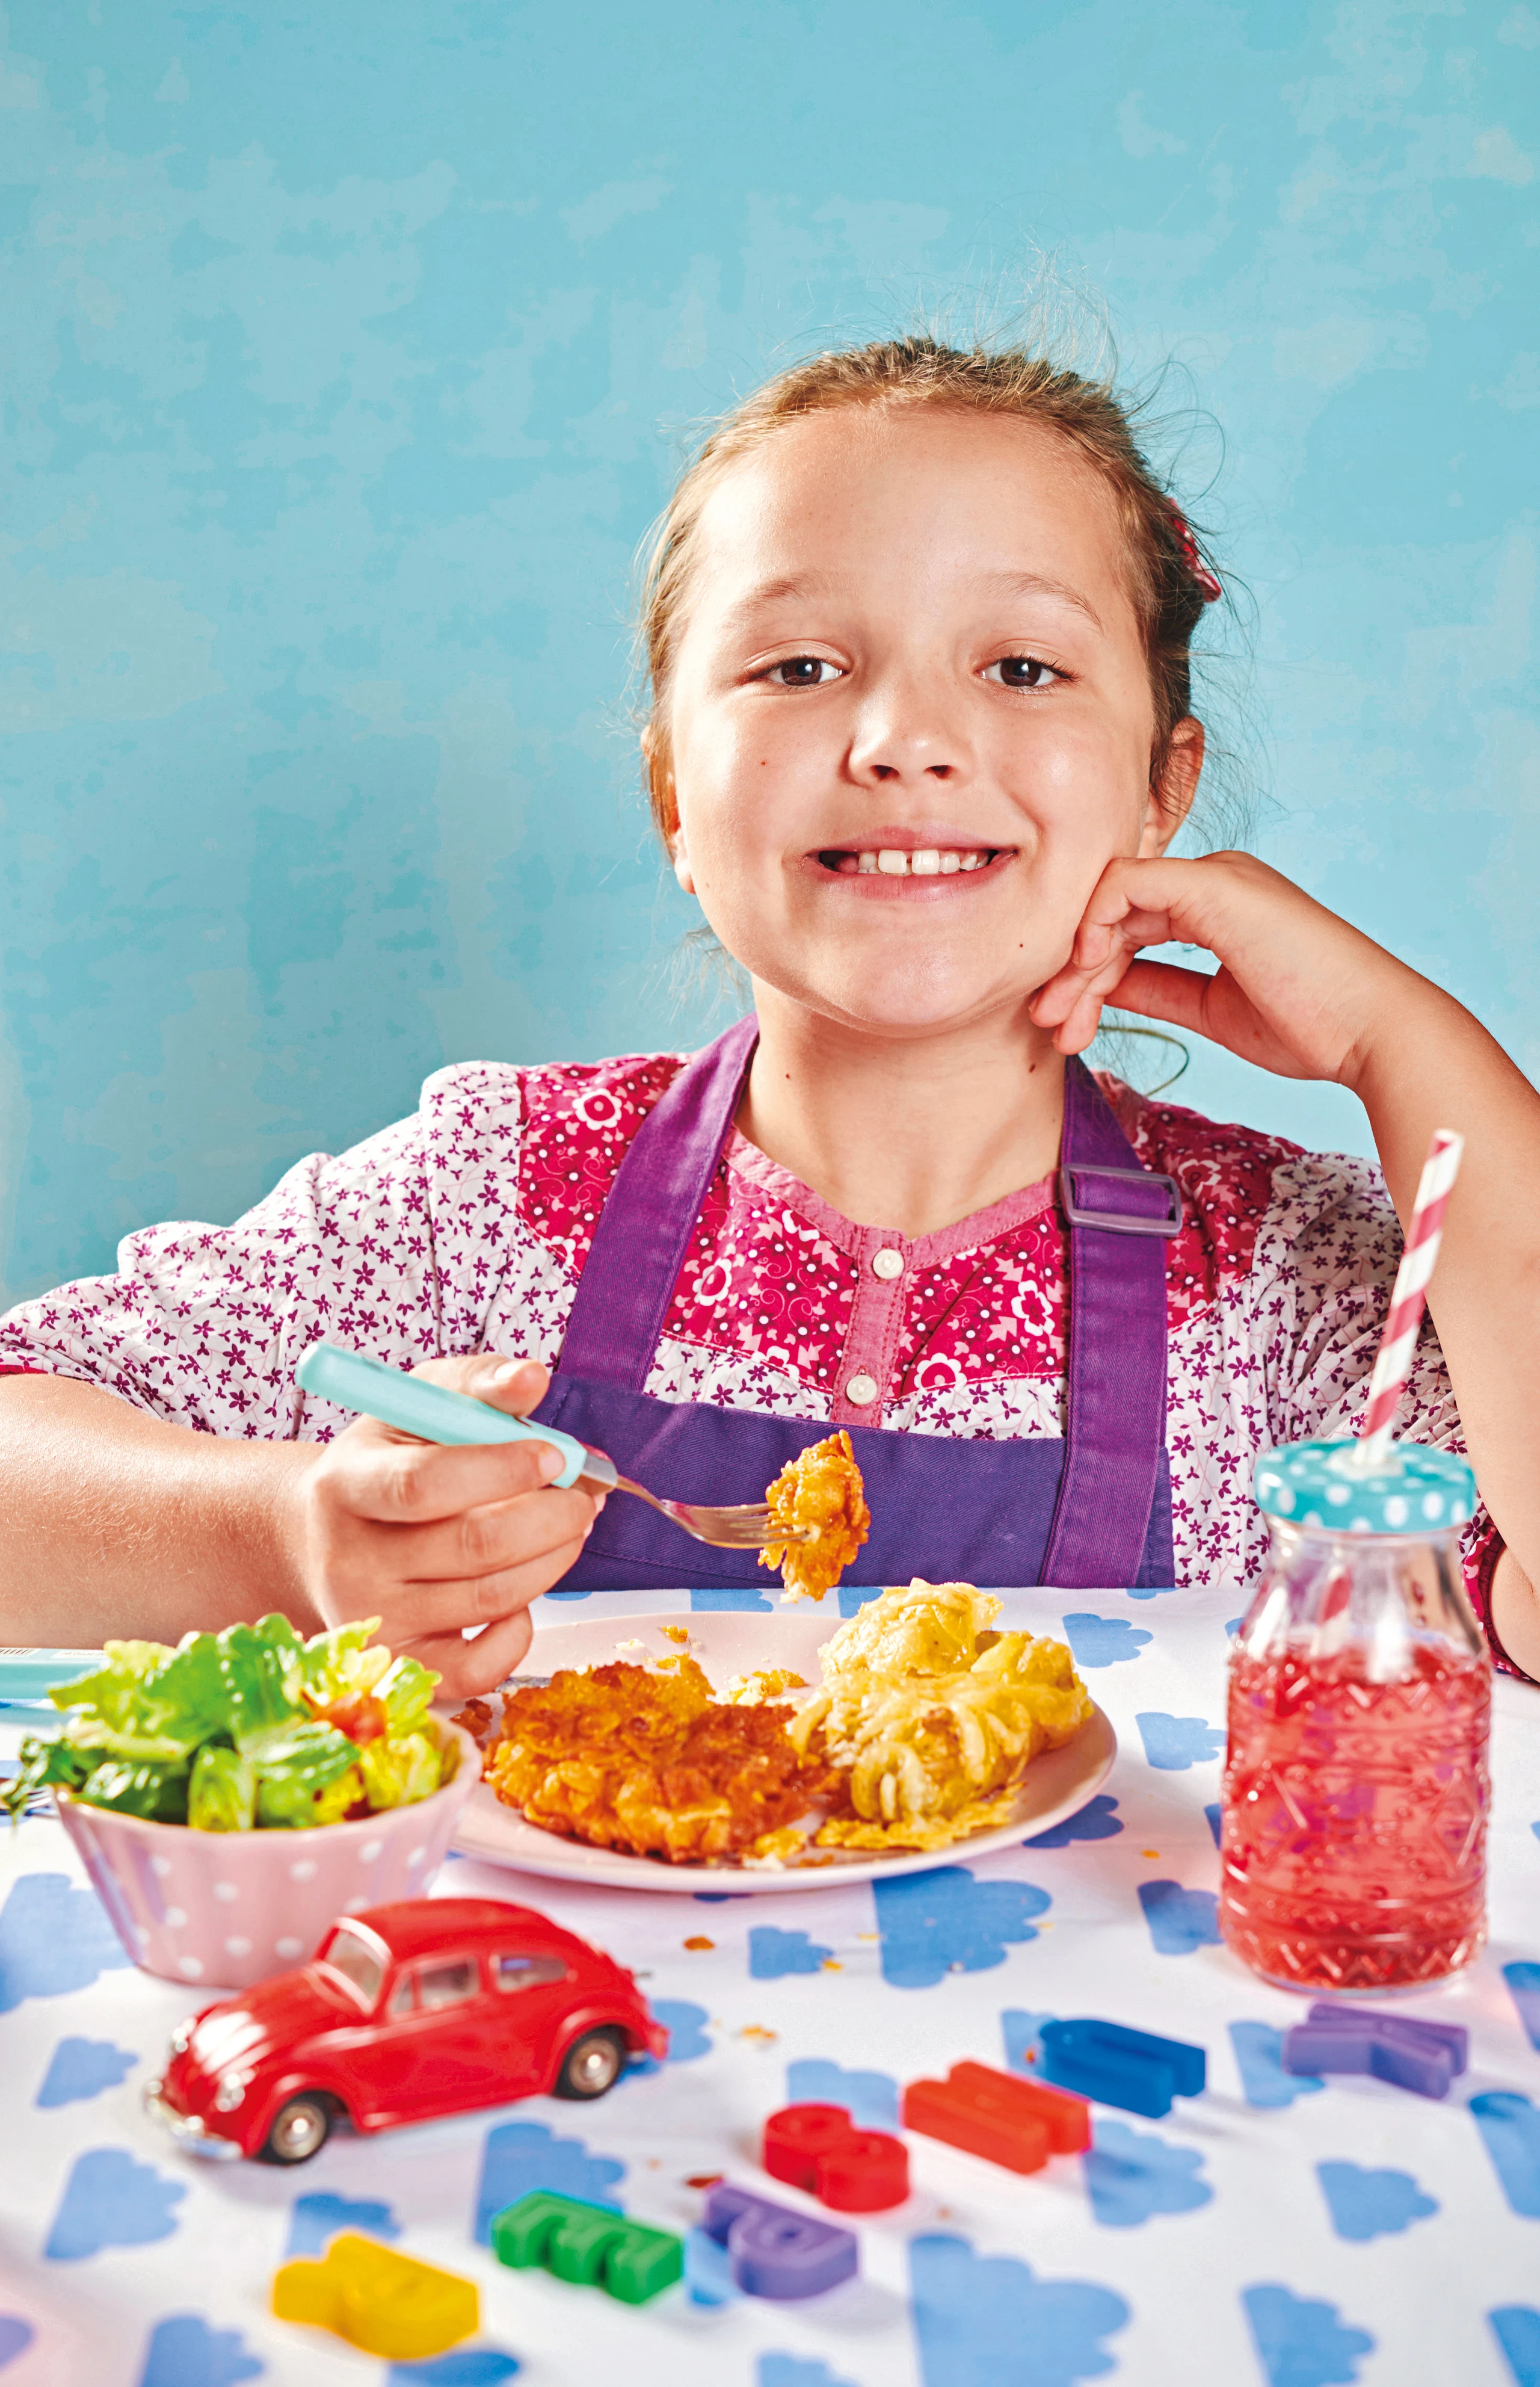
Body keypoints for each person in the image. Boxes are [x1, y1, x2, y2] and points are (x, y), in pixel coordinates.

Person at [4, 337, 1538, 1696]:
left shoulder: (1283, 1280)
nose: (905, 740)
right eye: (799, 665)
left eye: (1019, 665)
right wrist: (281, 1533)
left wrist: (1403, 1049)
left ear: (1162, 788)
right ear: (677, 796)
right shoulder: (492, 1197)